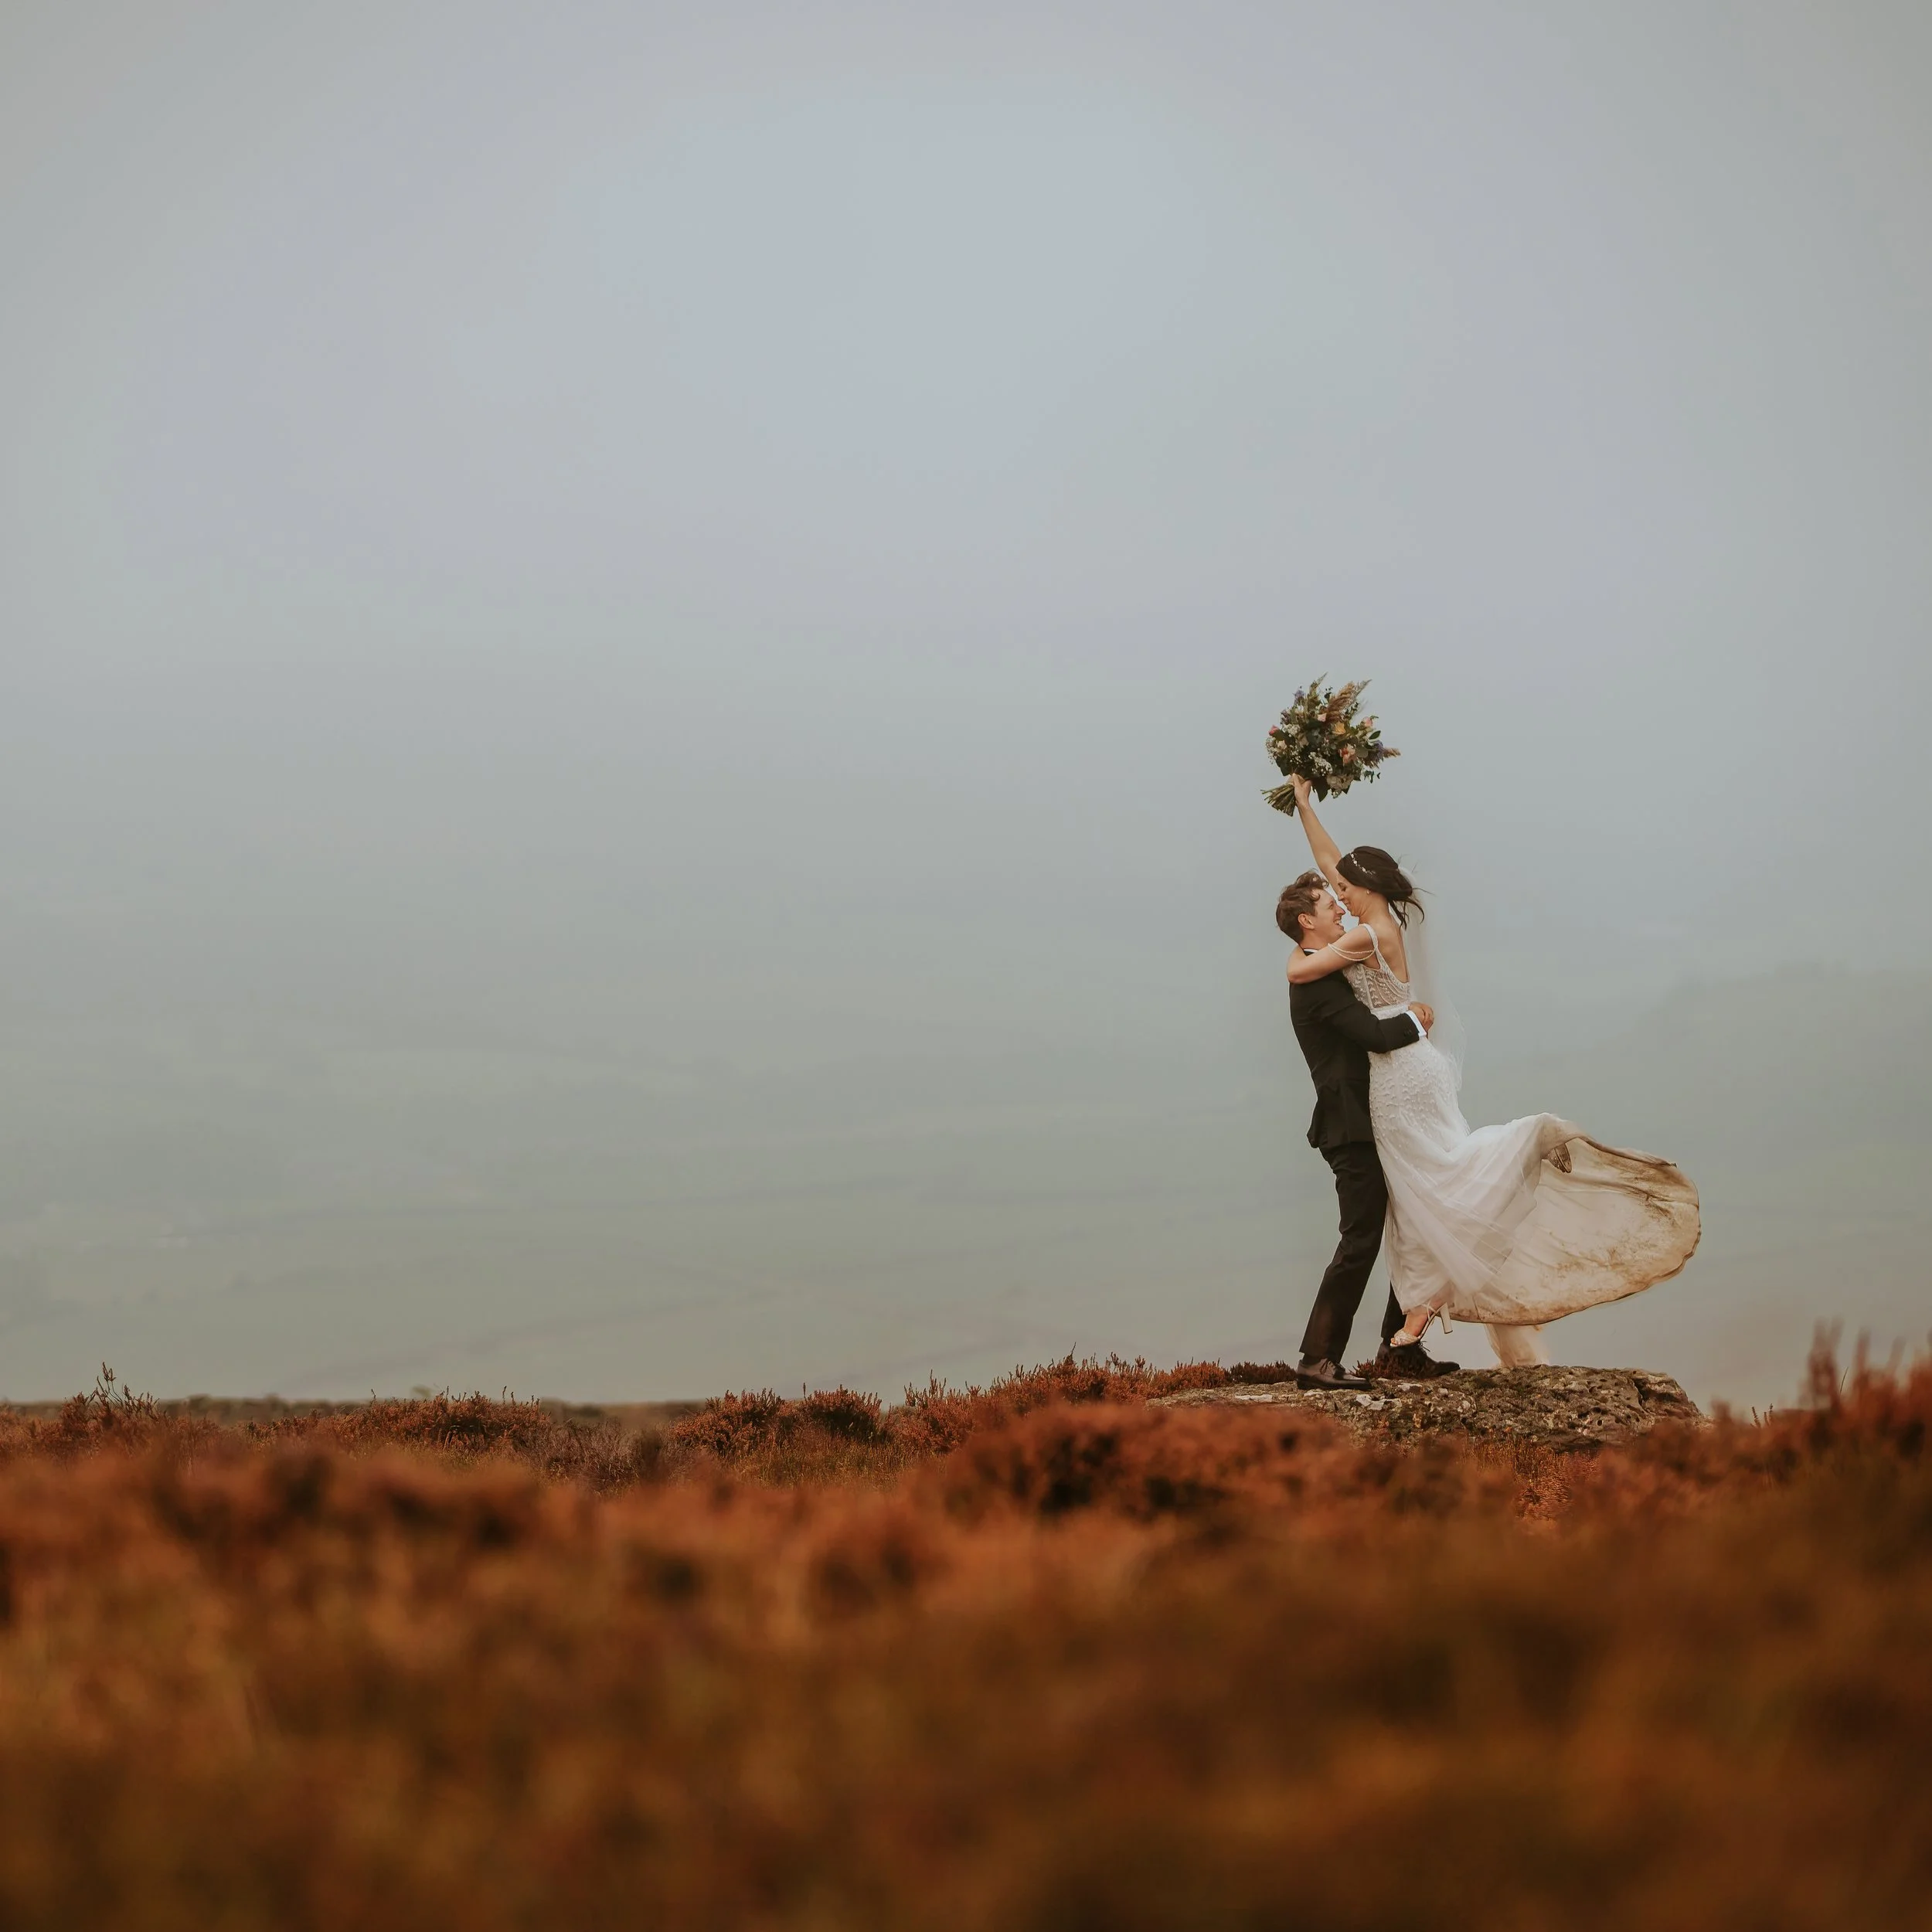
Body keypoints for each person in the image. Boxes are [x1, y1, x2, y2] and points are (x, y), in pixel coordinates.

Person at [1283, 774, 1699, 1368]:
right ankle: (1401, 1346)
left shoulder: (1366, 938)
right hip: (1411, 1071)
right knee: (1421, 1197)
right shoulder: (1381, 924)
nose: (1338, 895)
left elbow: (1301, 971)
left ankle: (1392, 1341)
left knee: (1428, 1193)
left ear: (1366, 888)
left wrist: (1296, 951)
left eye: (1343, 890)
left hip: (1399, 1079)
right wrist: (1305, 808)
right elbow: (1333, 861)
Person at [1277, 869, 1454, 1391]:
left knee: (1414, 1221)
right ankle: (1317, 1359)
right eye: (1328, 904)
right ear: (1307, 920)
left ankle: (1398, 1346)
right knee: (1360, 1241)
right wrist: (1419, 1021)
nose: (1339, 908)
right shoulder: (1315, 983)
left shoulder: (1315, 967)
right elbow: (1372, 1035)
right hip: (1348, 1126)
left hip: (1371, 1119)